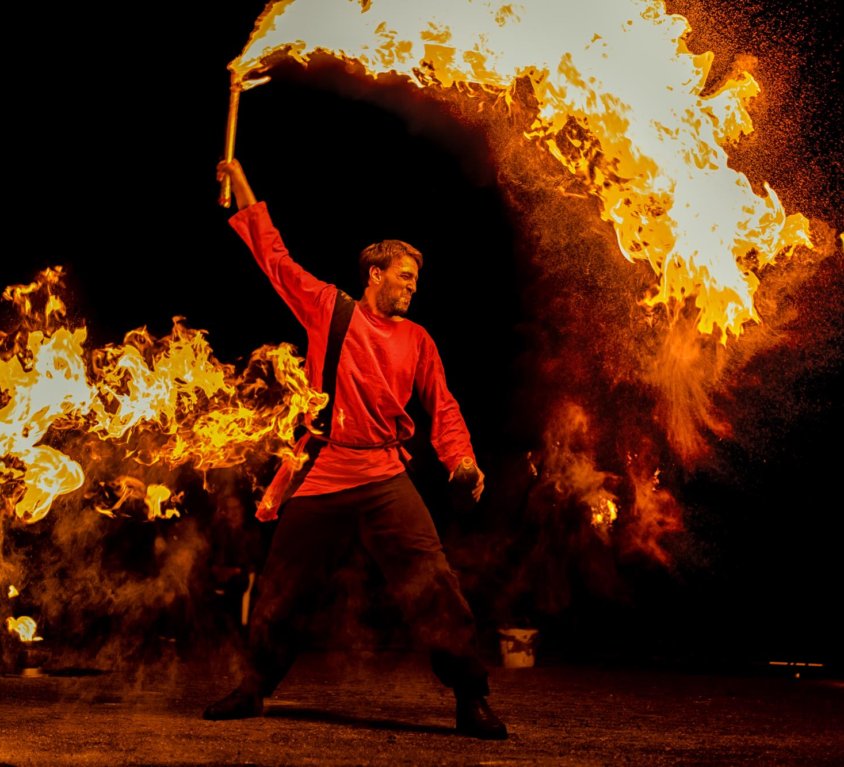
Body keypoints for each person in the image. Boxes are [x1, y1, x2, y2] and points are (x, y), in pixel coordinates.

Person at [202, 158, 507, 740]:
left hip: (385, 476)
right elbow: (274, 258)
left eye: (416, 280)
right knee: (281, 587)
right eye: (404, 277)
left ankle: (471, 697)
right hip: (322, 471)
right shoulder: (329, 309)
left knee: (433, 581)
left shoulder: (419, 340)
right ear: (373, 274)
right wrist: (242, 186)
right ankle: (252, 689)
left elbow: (443, 408)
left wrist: (461, 461)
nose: (413, 288)